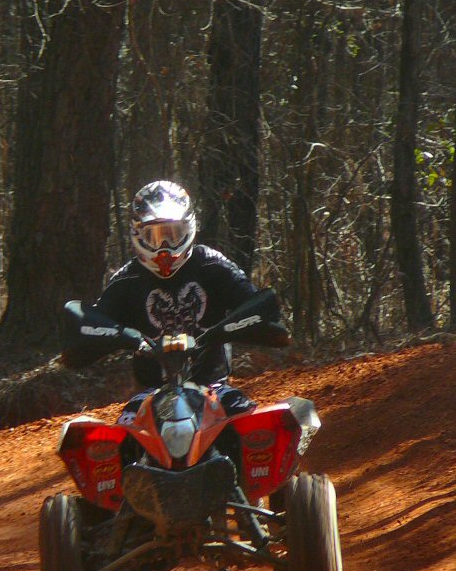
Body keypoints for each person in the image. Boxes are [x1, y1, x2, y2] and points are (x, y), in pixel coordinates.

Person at [61, 180, 288, 428]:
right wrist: (108, 337)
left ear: (188, 229)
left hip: (213, 389)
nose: (165, 246)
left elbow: (254, 303)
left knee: (254, 427)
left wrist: (256, 323)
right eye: (155, 236)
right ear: (138, 235)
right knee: (121, 438)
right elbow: (94, 324)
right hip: (150, 395)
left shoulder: (211, 264)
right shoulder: (127, 280)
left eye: (173, 234)